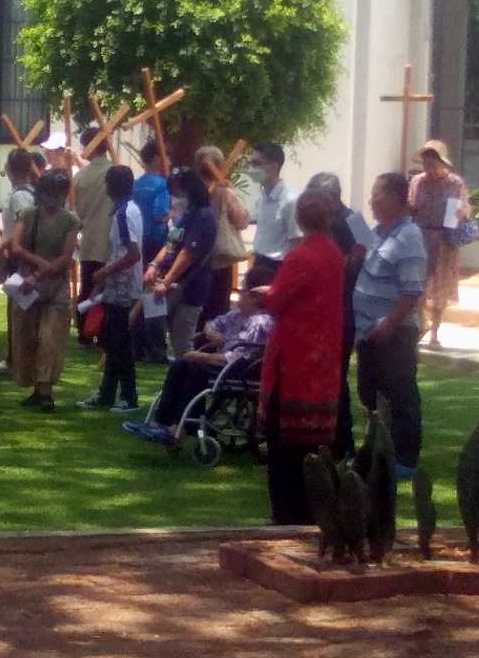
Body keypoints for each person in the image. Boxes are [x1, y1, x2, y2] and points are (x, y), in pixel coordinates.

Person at [257, 191, 344, 525]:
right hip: (324, 355)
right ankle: (313, 509)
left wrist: (265, 294)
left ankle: (286, 513)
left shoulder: (301, 256)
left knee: (284, 443)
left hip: (295, 355)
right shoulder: (334, 254)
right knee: (315, 444)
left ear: (299, 218)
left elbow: (276, 301)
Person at [123, 265, 274, 444]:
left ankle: (179, 428)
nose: (239, 294)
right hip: (224, 366)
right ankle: (161, 422)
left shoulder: (260, 323)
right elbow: (211, 324)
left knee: (195, 367)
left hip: (240, 370)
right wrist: (213, 334)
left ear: (256, 296)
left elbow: (238, 358)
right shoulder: (237, 315)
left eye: (242, 290)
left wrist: (200, 356)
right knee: (181, 365)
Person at [354, 172, 427, 477]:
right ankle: (377, 449)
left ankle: (405, 460)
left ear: (397, 199)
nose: (372, 201)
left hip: (395, 331)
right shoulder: (377, 233)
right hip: (368, 330)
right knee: (369, 390)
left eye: (377, 195)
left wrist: (390, 323)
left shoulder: (408, 236)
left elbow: (412, 290)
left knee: (400, 392)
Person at [9, 169, 81, 412]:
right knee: (26, 336)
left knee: (51, 338)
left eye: (59, 193)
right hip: (27, 286)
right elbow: (16, 247)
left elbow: (66, 257)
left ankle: (46, 390)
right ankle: (34, 386)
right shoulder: (28, 214)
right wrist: (39, 264)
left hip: (56, 286)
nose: (55, 198)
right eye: (50, 193)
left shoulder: (71, 221)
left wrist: (40, 274)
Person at [306, 172, 366, 459]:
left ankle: (343, 442)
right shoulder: (323, 222)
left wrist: (343, 265)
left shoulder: (355, 221)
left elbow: (370, 257)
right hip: (324, 308)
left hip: (345, 308)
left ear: (332, 196)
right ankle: (322, 439)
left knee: (336, 378)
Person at [77, 165, 143, 413]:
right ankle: (107, 393)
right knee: (112, 342)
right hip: (117, 285)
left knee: (120, 344)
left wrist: (105, 273)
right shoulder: (127, 210)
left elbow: (132, 254)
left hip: (123, 287)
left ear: (111, 186)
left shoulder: (124, 213)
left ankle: (129, 396)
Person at [142, 167, 218, 361]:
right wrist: (154, 265)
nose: (174, 197)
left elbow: (187, 253)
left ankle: (191, 377)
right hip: (172, 283)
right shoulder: (186, 215)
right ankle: (164, 361)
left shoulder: (204, 216)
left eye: (177, 192)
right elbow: (171, 243)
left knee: (183, 341)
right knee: (157, 323)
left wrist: (167, 281)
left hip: (190, 286)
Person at [408, 140, 471, 350]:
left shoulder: (455, 183)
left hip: (445, 241)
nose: (429, 169)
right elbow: (410, 207)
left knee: (441, 288)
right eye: (426, 164)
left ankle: (435, 333)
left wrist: (459, 212)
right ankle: (420, 325)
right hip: (420, 238)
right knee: (418, 286)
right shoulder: (417, 181)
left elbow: (465, 209)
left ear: (442, 163)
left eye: (433, 164)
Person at [0, 148, 38, 379]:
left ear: (9, 168)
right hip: (21, 257)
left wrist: (2, 247)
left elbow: (23, 227)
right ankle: (17, 357)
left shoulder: (20, 196)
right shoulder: (30, 193)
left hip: (18, 259)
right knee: (20, 309)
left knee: (18, 310)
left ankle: (15, 359)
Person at [194, 145, 250, 324]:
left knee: (196, 312)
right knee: (217, 312)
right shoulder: (226, 193)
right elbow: (241, 222)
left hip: (193, 259)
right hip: (220, 261)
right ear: (220, 166)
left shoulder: (191, 191)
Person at [72, 127, 114, 346]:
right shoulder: (116, 172)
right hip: (111, 238)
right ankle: (103, 332)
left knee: (87, 287)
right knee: (108, 288)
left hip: (89, 239)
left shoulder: (80, 176)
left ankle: (84, 331)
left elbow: (75, 211)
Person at [248, 142, 302, 282]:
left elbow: (296, 243)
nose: (251, 169)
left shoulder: (290, 200)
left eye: (257, 163)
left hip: (278, 268)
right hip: (259, 263)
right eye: (251, 164)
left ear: (274, 166)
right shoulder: (262, 197)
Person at [133, 141, 170, 266]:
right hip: (155, 240)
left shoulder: (135, 185)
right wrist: (173, 213)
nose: (169, 161)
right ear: (156, 159)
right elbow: (160, 215)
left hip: (137, 237)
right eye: (166, 156)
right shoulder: (163, 185)